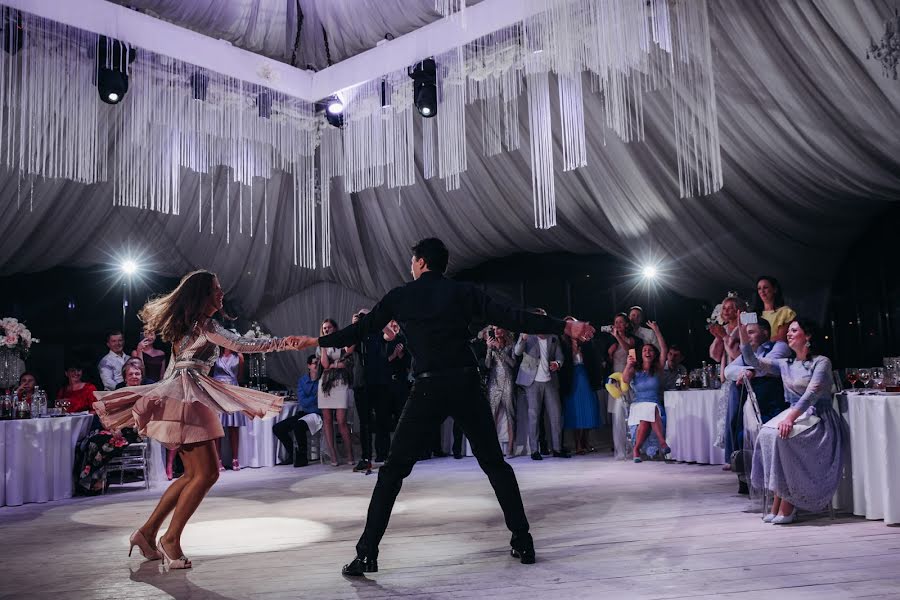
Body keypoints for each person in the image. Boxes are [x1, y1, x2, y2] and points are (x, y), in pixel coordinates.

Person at [314, 238, 595, 576]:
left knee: (392, 472)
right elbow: (514, 316)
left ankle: (366, 554)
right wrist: (565, 326)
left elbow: (360, 329)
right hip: (465, 384)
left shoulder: (401, 296)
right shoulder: (462, 292)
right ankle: (523, 539)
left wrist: (318, 341)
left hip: (429, 387)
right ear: (442, 265)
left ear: (419, 263)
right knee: (495, 465)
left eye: (412, 260)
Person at [92, 270, 312, 570]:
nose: (222, 293)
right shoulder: (205, 325)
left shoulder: (188, 326)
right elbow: (244, 346)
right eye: (217, 289)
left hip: (183, 394)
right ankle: (170, 540)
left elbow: (177, 366)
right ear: (203, 295)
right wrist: (288, 342)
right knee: (206, 474)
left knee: (193, 475)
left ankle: (146, 533)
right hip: (187, 397)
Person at [738, 315, 844, 524]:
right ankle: (779, 499)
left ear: (808, 336)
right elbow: (753, 361)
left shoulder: (821, 362)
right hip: (796, 416)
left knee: (781, 437)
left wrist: (790, 418)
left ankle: (789, 504)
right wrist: (742, 334)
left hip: (818, 419)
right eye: (789, 331)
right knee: (767, 434)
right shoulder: (785, 363)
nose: (788, 333)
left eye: (794, 330)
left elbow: (811, 394)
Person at [723, 319, 790, 494]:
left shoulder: (779, 347)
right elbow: (728, 370)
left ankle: (774, 481)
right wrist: (743, 371)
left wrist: (751, 371)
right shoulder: (748, 352)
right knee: (741, 434)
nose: (746, 336)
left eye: (751, 332)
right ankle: (747, 478)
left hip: (775, 404)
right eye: (745, 332)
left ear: (765, 333)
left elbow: (771, 366)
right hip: (756, 405)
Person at [515, 309, 568, 460]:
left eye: (543, 318)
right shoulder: (527, 334)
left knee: (556, 415)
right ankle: (534, 450)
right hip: (532, 381)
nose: (540, 320)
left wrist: (557, 364)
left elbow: (560, 357)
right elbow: (517, 352)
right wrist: (523, 338)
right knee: (534, 416)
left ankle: (557, 449)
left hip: (550, 381)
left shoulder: (553, 336)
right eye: (537, 318)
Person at [622, 321, 671, 462]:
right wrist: (628, 365)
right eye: (644, 350)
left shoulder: (658, 368)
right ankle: (662, 442)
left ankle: (636, 450)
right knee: (647, 411)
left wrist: (656, 330)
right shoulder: (635, 368)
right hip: (638, 404)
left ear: (654, 354)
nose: (647, 352)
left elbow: (664, 349)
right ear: (641, 354)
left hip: (654, 404)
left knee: (648, 413)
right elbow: (625, 379)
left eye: (650, 350)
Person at [561, 317, 602, 455]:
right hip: (572, 379)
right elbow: (563, 363)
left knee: (589, 410)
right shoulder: (562, 342)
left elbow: (595, 358)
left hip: (586, 377)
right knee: (576, 412)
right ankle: (578, 444)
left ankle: (586, 441)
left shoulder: (585, 340)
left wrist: (585, 344)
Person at [317, 319, 354, 467]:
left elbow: (347, 361)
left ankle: (350, 453)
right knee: (327, 420)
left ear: (335, 328)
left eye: (329, 327)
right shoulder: (321, 344)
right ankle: (333, 455)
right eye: (324, 328)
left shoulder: (342, 341)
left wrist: (336, 365)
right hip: (326, 384)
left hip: (341, 383)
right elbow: (325, 365)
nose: (326, 330)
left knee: (341, 420)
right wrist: (325, 345)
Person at [273, 354, 320, 467]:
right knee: (278, 428)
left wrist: (313, 399)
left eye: (318, 363)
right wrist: (315, 397)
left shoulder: (321, 380)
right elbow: (303, 402)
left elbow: (319, 402)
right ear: (309, 365)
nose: (317, 366)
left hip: (317, 414)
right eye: (314, 363)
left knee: (298, 425)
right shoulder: (303, 381)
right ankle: (291, 454)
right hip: (304, 412)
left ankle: (302, 457)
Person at [210, 346, 246, 472]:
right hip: (217, 390)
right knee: (217, 427)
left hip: (232, 389)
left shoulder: (239, 357)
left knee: (233, 427)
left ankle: (235, 458)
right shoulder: (215, 355)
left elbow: (240, 377)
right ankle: (217, 459)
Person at [484, 326, 518, 456]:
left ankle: (510, 448)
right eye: (494, 329)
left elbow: (513, 364)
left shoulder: (511, 345)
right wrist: (489, 348)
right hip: (494, 383)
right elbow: (487, 365)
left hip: (508, 382)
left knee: (511, 415)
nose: (496, 331)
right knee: (492, 416)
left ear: (504, 330)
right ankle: (493, 448)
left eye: (498, 328)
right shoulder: (491, 346)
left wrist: (500, 349)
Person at [606, 313, 635, 460]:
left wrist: (618, 337)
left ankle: (632, 448)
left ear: (626, 325)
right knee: (617, 417)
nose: (617, 325)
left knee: (629, 414)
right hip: (616, 382)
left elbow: (630, 351)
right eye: (615, 322)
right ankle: (619, 449)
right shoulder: (610, 342)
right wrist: (609, 355)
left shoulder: (630, 340)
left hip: (628, 381)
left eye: (620, 322)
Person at [753, 276, 796, 343]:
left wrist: (760, 345)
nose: (762, 291)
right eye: (759, 288)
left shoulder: (785, 312)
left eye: (765, 287)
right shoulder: (754, 314)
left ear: (775, 289)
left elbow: (781, 338)